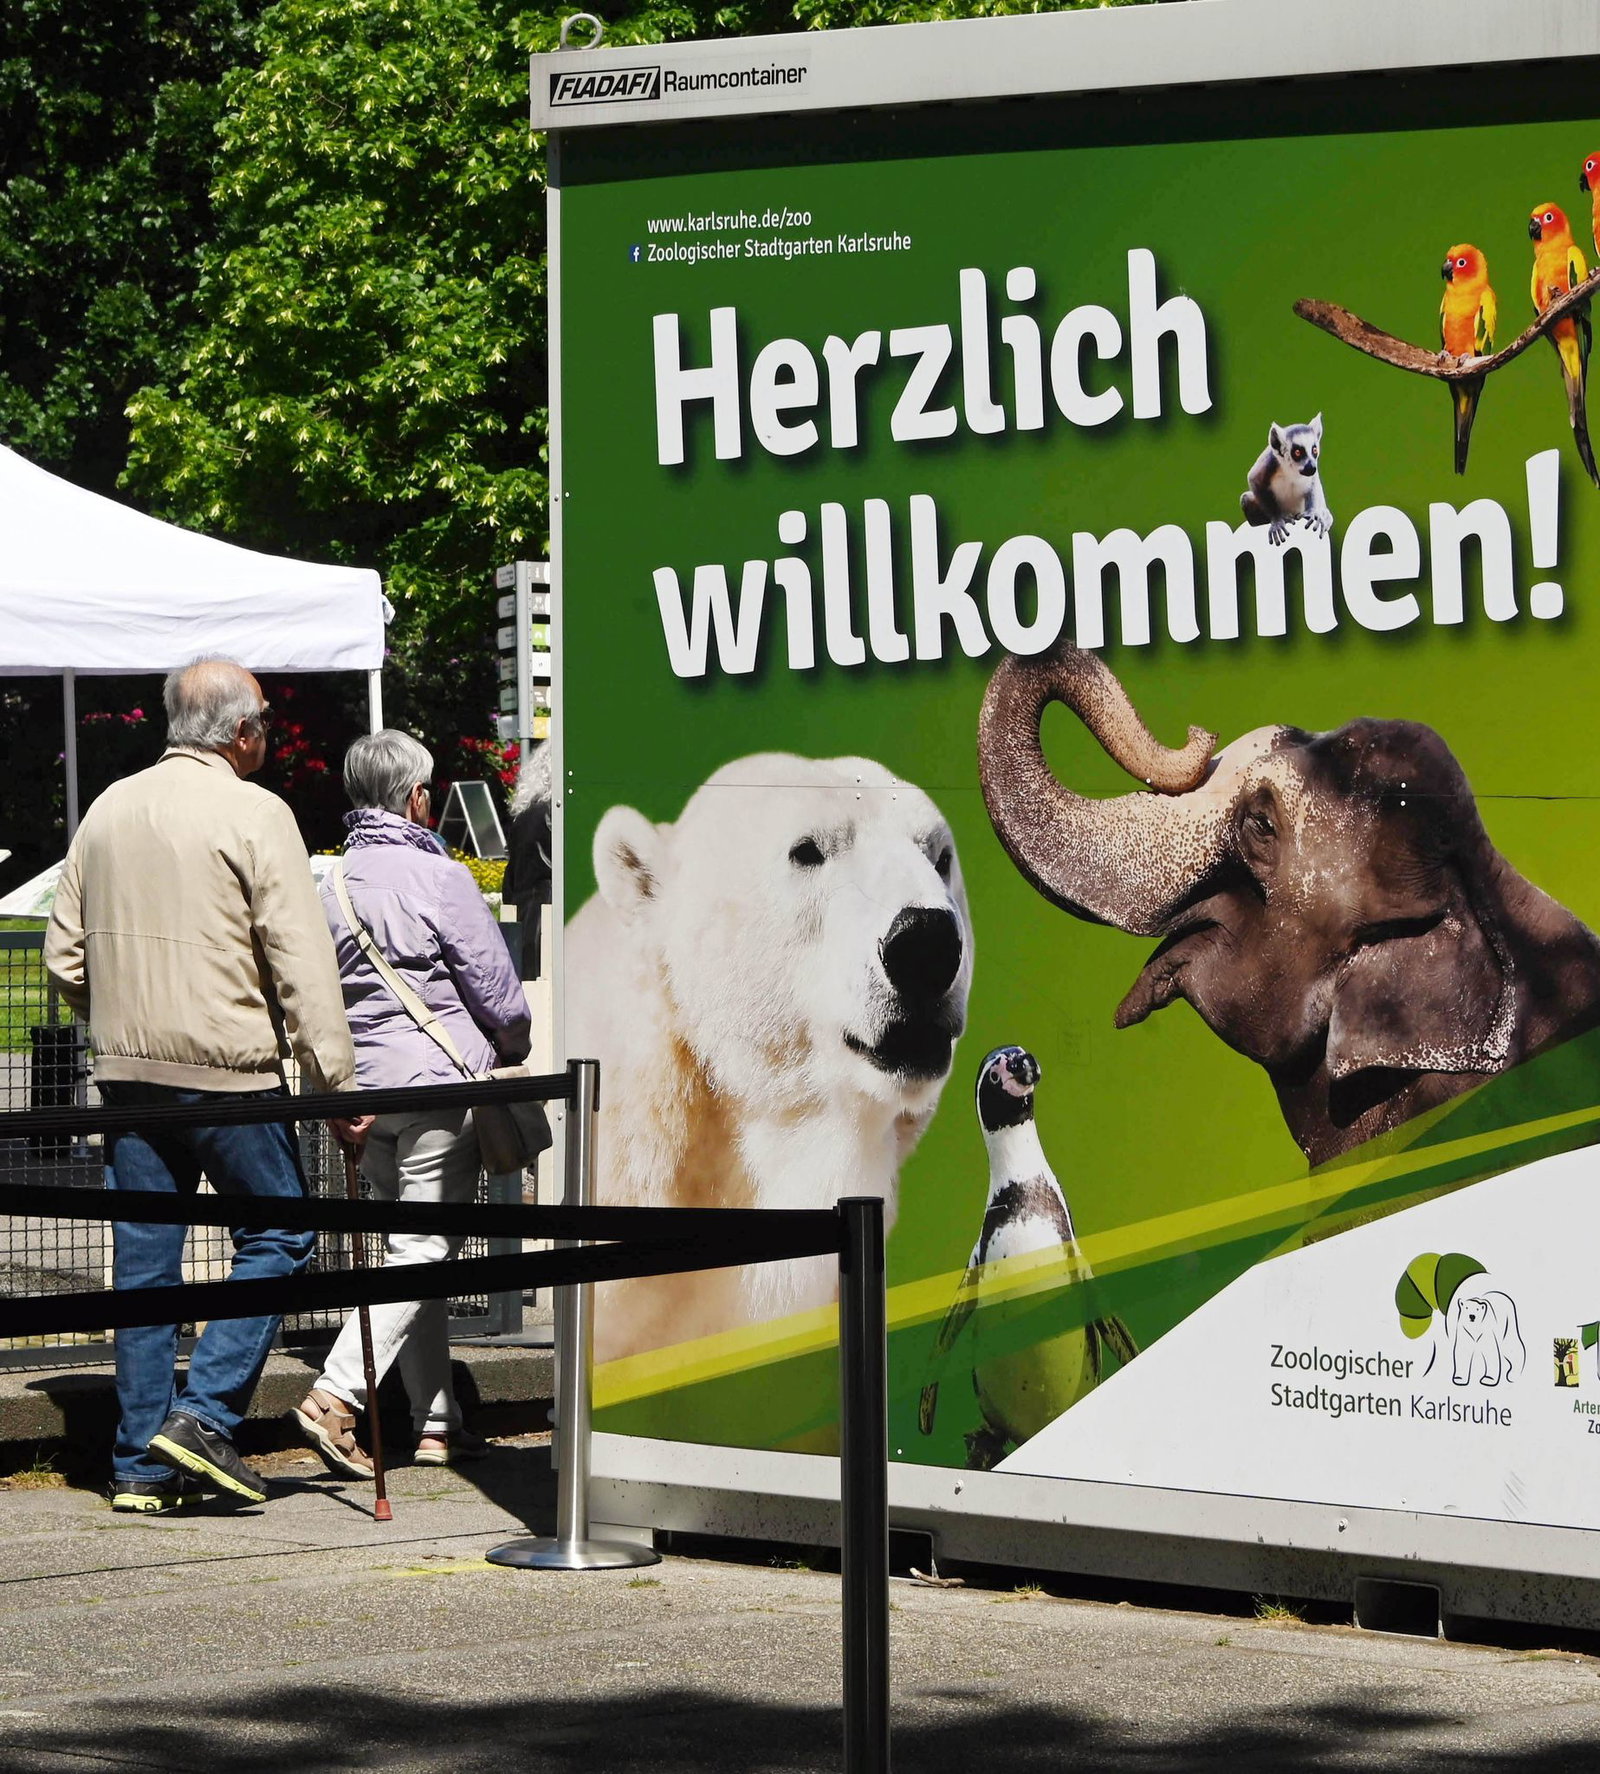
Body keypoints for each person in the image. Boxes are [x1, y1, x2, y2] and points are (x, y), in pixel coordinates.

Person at [45, 658, 366, 1515]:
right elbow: (302, 963)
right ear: (239, 732)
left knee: (146, 1271)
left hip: (128, 1077)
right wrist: (337, 1085)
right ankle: (203, 1415)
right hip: (228, 1072)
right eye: (261, 715)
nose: (265, 727)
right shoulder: (258, 812)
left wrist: (117, 1017)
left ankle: (140, 1466)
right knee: (284, 1233)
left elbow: (63, 955)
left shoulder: (109, 806)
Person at [293, 729, 531, 1475]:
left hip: (363, 1097)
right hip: (438, 1087)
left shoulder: (322, 882)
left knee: (409, 1251)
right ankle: (335, 1396)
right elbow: (498, 993)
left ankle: (435, 1423)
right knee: (423, 1251)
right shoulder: (442, 878)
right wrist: (512, 1047)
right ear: (417, 797)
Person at [501, 741, 552, 980]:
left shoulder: (522, 817)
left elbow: (509, 882)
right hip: (552, 925)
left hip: (523, 924)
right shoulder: (557, 816)